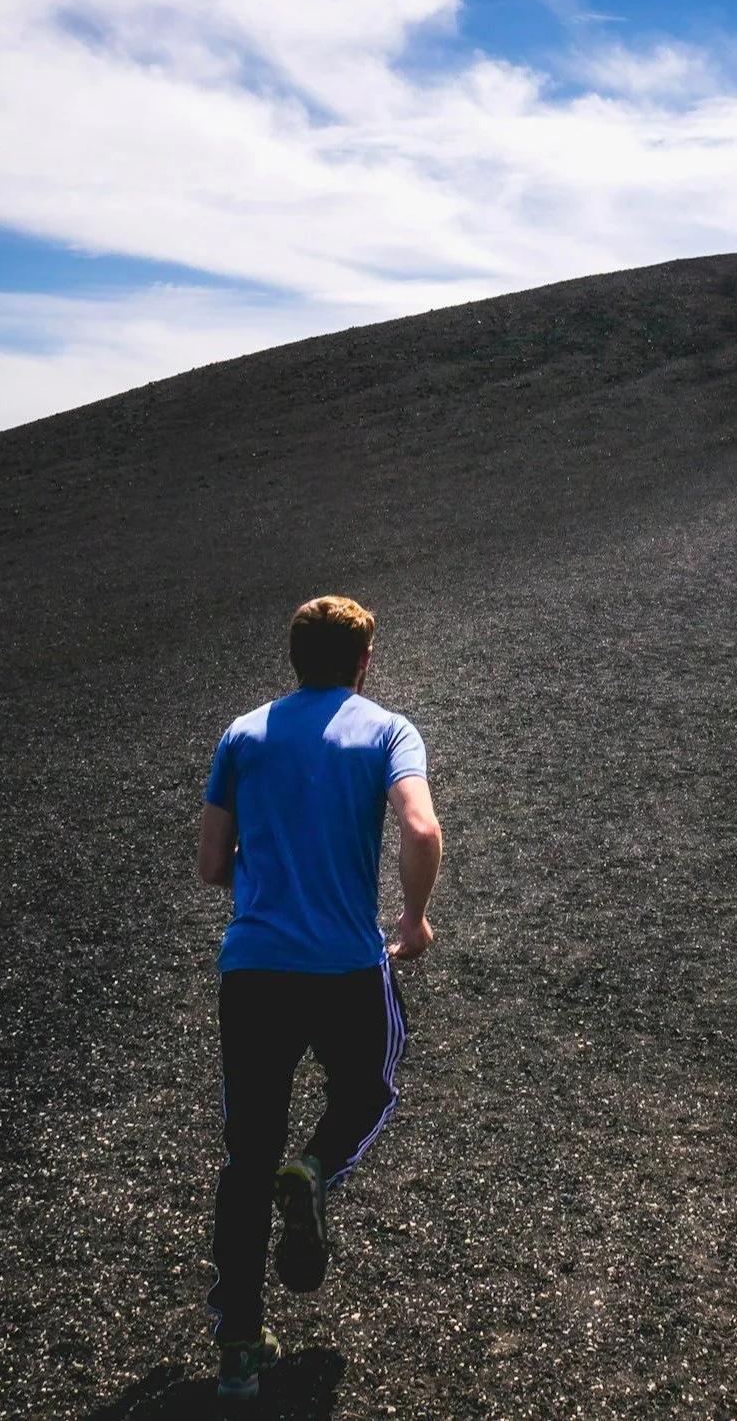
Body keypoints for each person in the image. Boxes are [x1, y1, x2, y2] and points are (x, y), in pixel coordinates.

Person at [196, 594, 443, 1400]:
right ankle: (314, 1167)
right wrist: (410, 916)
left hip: (255, 967)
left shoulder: (242, 732)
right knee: (370, 1084)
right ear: (364, 660)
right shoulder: (387, 730)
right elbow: (421, 828)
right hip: (343, 963)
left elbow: (209, 862)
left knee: (245, 1153)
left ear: (293, 657)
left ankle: (237, 1346)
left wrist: (270, 876)